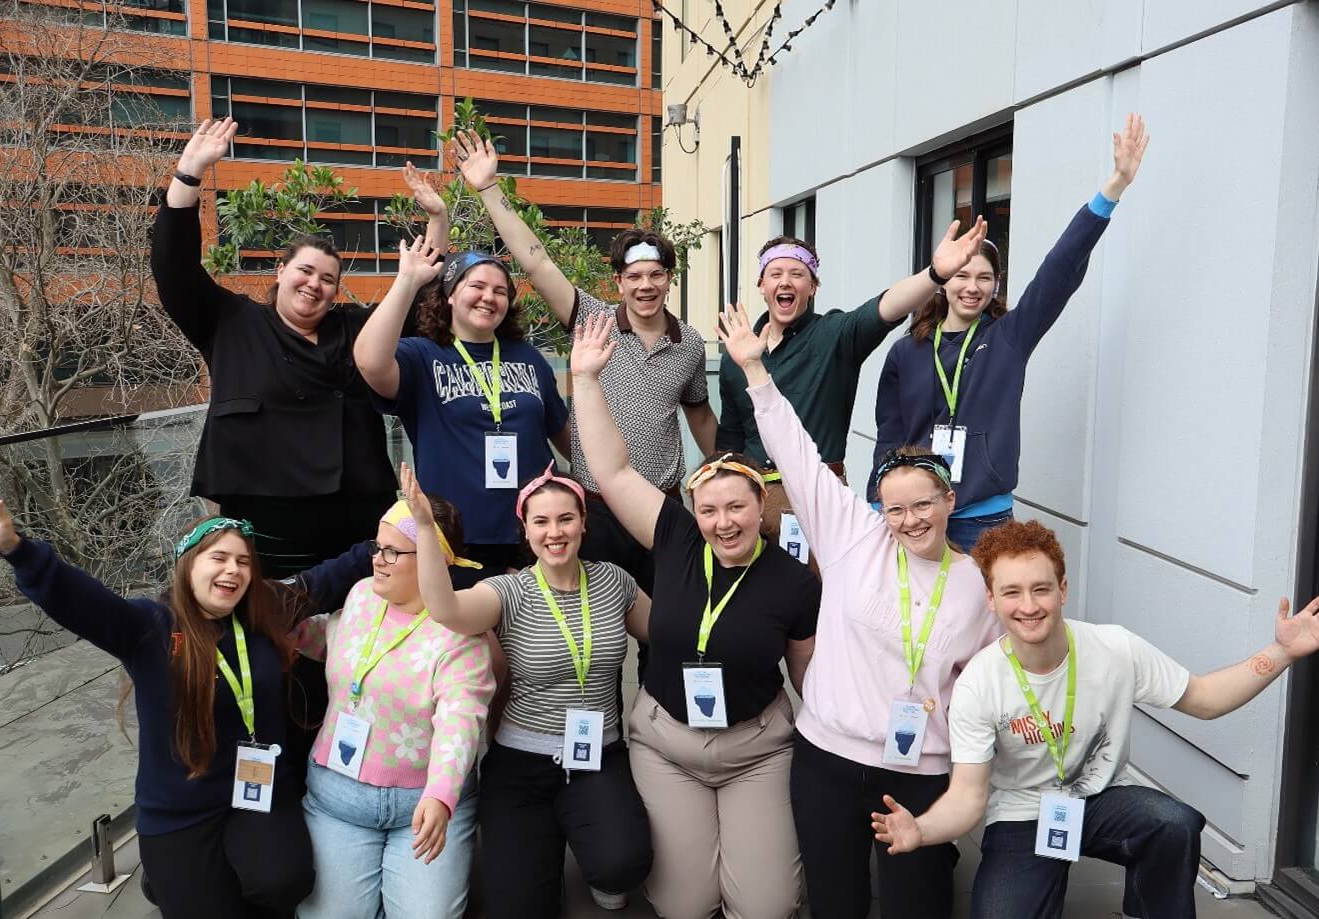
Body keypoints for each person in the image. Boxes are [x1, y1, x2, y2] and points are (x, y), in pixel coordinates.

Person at [0, 481, 372, 919]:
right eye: (218, 558)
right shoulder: (152, 628)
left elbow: (328, 578)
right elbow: (80, 600)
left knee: (285, 883)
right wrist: (16, 548)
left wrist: (398, 538)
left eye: (243, 561)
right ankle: (167, 878)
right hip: (180, 812)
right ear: (188, 565)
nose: (233, 570)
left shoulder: (266, 610)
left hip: (257, 797)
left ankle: (195, 878)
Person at [871, 520, 1319, 919]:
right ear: (991, 599)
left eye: (1041, 588)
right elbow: (968, 797)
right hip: (1021, 814)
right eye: (1011, 591)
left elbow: (1204, 698)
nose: (1028, 605)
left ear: (1063, 589)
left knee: (1172, 823)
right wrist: (922, 829)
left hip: (1102, 798)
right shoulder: (978, 684)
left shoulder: (1115, 649)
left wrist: (1280, 652)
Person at [717, 301, 1001, 918]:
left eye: (923, 504)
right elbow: (797, 456)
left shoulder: (981, 584)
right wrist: (755, 373)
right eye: (895, 508)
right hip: (828, 757)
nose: (910, 520)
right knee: (836, 903)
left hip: (922, 769)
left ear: (949, 501)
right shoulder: (852, 537)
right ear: (879, 509)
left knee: (916, 907)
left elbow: (986, 682)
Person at [569, 312, 821, 919]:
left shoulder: (793, 581)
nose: (724, 522)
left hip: (756, 749)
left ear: (762, 504)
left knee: (762, 908)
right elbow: (613, 471)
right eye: (710, 509)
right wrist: (584, 380)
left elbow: (809, 678)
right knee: (684, 907)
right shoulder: (677, 539)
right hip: (668, 745)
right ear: (693, 511)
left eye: (737, 506)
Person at [156, 117, 448, 577]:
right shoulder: (231, 319)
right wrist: (188, 174)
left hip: (354, 506)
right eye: (305, 271)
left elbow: (423, 295)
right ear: (279, 272)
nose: (315, 284)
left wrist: (438, 218)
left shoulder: (354, 328)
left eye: (328, 279)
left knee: (351, 621)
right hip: (262, 506)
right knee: (270, 619)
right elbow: (173, 268)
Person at [450, 130, 714, 595]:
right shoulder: (592, 320)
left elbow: (699, 414)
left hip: (659, 507)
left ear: (670, 279)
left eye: (656, 274)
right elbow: (537, 262)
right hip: (594, 508)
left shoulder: (689, 343)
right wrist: (489, 189)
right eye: (634, 276)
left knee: (667, 626)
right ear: (619, 281)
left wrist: (723, 470)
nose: (645, 286)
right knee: (597, 628)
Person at [870, 114, 1150, 550]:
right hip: (919, 518)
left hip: (985, 519)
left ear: (996, 285)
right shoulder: (907, 352)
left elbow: (1057, 273)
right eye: (961, 275)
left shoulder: (1008, 337)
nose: (972, 287)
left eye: (984, 278)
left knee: (993, 618)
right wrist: (880, 501)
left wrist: (1113, 188)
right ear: (943, 281)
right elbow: (890, 436)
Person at [399, 462, 653, 917]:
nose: (554, 532)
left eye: (565, 519)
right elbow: (446, 609)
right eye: (541, 521)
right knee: (517, 908)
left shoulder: (615, 581)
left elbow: (666, 632)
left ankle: (595, 854)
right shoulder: (509, 590)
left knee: (622, 863)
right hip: (520, 763)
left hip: (598, 753)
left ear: (583, 523)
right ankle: (549, 839)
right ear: (525, 529)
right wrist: (422, 528)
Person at [715, 213, 988, 542]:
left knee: (819, 592)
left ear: (813, 286)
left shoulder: (834, 335)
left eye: (797, 274)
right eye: (775, 274)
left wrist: (935, 274)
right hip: (751, 502)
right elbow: (729, 441)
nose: (785, 282)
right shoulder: (738, 352)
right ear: (762, 285)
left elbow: (885, 308)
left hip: (818, 501)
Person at [293, 495, 494, 919]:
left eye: (392, 551)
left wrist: (440, 798)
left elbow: (460, 722)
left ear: (433, 560)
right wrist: (275, 622)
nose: (377, 560)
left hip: (422, 811)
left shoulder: (461, 633)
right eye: (376, 547)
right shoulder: (363, 595)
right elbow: (330, 642)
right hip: (338, 802)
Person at [354, 226, 570, 575]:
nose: (490, 297)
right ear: (451, 295)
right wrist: (407, 281)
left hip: (536, 533)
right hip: (457, 538)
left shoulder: (528, 357)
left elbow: (566, 436)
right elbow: (369, 361)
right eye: (477, 286)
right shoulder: (422, 356)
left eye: (500, 291)